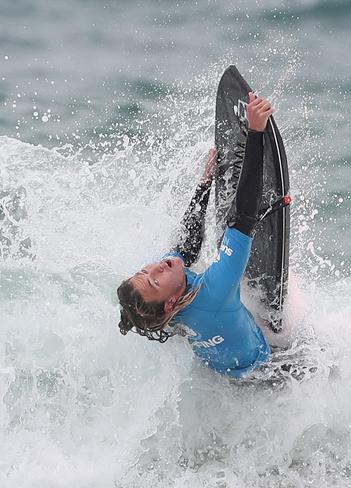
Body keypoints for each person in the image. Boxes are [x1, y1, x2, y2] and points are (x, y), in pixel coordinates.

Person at [117, 92, 276, 377]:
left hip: (219, 372)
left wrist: (204, 185)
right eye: (155, 280)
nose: (157, 266)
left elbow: (185, 249)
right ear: (169, 302)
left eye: (146, 270)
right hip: (263, 372)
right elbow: (244, 217)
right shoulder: (215, 290)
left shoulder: (160, 314)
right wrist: (255, 132)